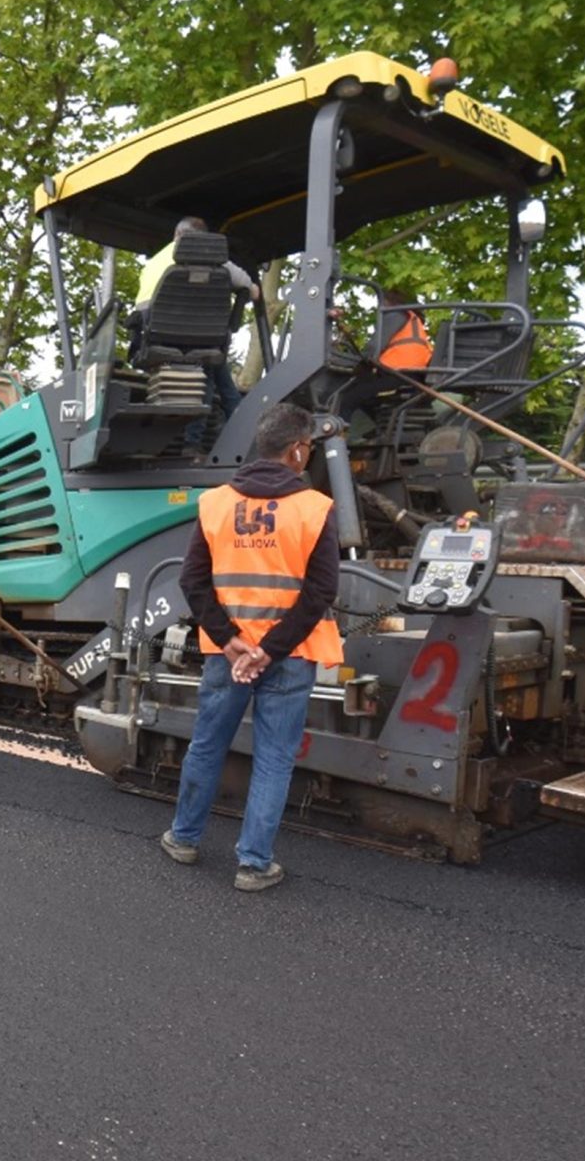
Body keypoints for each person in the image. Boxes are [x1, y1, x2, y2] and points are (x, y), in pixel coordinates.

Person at [158, 401, 342, 890]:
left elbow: (192, 580)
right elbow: (321, 590)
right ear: (298, 451)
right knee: (274, 758)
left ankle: (184, 838)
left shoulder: (216, 503)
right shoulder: (314, 508)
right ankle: (253, 864)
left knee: (208, 743)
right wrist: (271, 649)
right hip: (290, 656)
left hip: (228, 656)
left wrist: (233, 642)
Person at [134, 217, 257, 453]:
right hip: (202, 343)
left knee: (225, 384)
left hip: (157, 338)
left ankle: (244, 432)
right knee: (208, 375)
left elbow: (140, 309)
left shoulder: (154, 262)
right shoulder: (215, 261)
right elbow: (250, 289)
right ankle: (197, 444)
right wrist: (251, 289)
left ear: (175, 236)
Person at [375, 286, 434, 372]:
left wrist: (355, 362)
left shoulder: (395, 316)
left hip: (396, 371)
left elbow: (374, 346)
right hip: (418, 371)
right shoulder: (414, 322)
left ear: (387, 302)